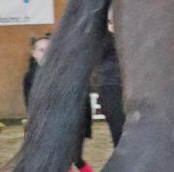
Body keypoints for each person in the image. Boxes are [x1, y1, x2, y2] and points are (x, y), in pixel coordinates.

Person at [23, 35, 93, 172]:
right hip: (47, 124)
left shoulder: (65, 71)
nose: (46, 53)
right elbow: (29, 102)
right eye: (42, 50)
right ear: (34, 53)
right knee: (61, 160)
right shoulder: (30, 76)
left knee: (75, 157)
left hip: (72, 122)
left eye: (49, 49)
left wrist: (83, 125)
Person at [96, 13, 124, 146]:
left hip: (123, 86)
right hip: (110, 86)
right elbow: (100, 55)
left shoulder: (122, 35)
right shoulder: (104, 38)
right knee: (118, 129)